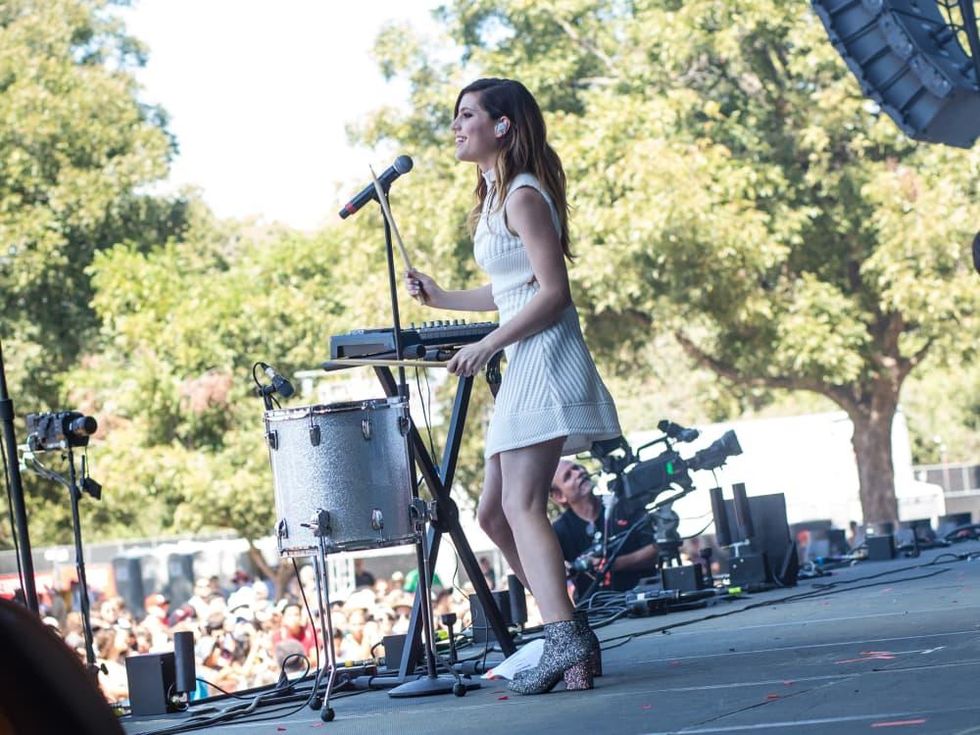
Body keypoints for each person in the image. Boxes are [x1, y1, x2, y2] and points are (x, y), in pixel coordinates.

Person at [404, 78, 621, 695]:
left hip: (543, 358)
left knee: (523, 505)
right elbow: (511, 290)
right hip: (524, 357)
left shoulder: (524, 195)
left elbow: (554, 294)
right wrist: (443, 298)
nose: (456, 126)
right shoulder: (499, 195)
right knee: (493, 513)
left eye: (467, 115)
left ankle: (562, 638)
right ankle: (571, 634)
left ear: (502, 126)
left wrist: (487, 344)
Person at [550, 460, 659, 602]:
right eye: (568, 476)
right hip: (596, 612)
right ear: (559, 496)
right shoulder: (559, 530)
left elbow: (656, 549)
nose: (579, 473)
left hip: (645, 599)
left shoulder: (623, 506)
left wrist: (614, 564)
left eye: (577, 467)